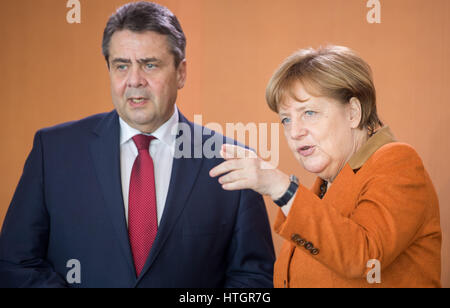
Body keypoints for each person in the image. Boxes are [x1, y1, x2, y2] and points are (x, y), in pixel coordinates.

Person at [0, 1, 275, 288]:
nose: (134, 81)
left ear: (181, 72)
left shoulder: (230, 162)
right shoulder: (54, 152)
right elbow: (16, 263)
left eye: (150, 65)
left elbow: (253, 280)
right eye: (121, 66)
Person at [210, 45, 442, 288]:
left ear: (353, 112)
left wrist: (283, 188)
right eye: (286, 119)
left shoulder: (397, 163)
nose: (295, 132)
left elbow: (364, 256)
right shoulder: (322, 190)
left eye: (309, 113)